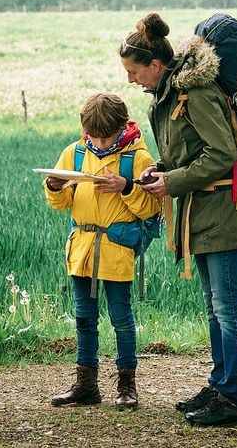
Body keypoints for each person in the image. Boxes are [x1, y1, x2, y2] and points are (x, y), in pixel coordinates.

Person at [120, 13, 237, 427]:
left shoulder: (194, 93)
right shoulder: (164, 100)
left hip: (224, 210)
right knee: (215, 308)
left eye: (133, 71)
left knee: (229, 307)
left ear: (156, 65)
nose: (131, 79)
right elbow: (185, 153)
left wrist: (173, 182)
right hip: (198, 212)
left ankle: (234, 398)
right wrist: (160, 171)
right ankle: (220, 385)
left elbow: (221, 155)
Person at [43, 92, 158, 410]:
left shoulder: (138, 158)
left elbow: (151, 206)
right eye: (94, 136)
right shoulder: (74, 153)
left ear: (122, 127)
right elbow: (61, 203)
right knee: (83, 319)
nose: (101, 143)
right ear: (85, 129)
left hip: (116, 250)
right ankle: (86, 385)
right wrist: (54, 187)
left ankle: (126, 384)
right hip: (81, 250)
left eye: (106, 137)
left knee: (121, 319)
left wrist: (127, 187)